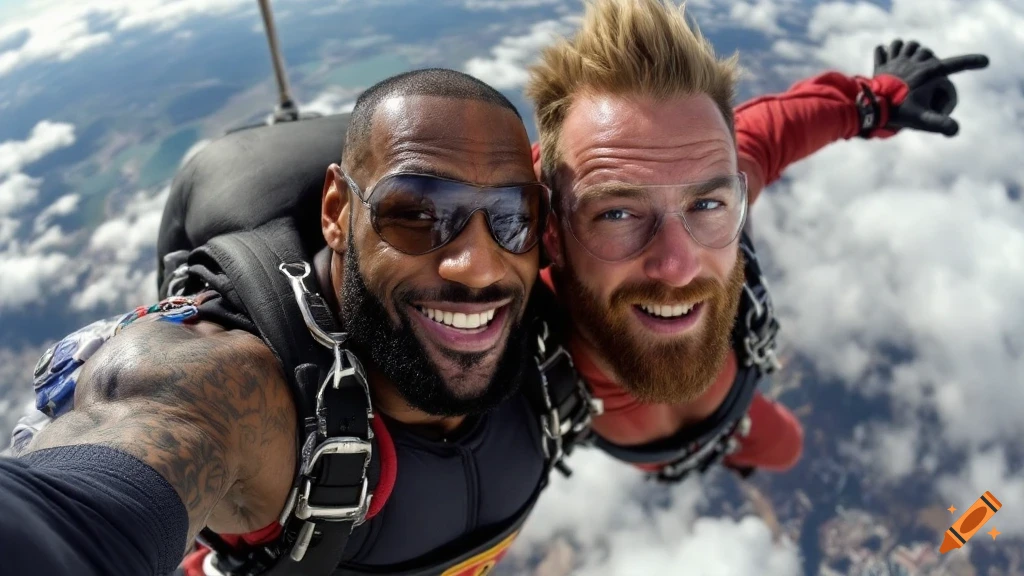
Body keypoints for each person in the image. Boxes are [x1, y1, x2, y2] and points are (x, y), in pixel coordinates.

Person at [523, 0, 989, 482]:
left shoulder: (701, 159)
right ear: (553, 231)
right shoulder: (508, 291)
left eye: (707, 205)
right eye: (616, 213)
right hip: (702, 417)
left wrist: (876, 100)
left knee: (786, 446)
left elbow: (779, 130)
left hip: (728, 420)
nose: (678, 264)